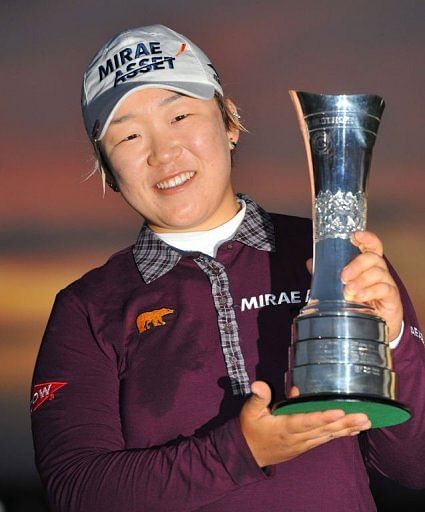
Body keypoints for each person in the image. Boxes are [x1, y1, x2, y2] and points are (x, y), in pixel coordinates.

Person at [31, 24, 425, 511]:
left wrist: (394, 342)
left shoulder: (340, 254)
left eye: (179, 114)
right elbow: (78, 492)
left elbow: (414, 468)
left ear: (230, 124)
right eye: (129, 135)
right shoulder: (88, 309)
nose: (162, 152)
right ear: (109, 170)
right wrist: (242, 451)